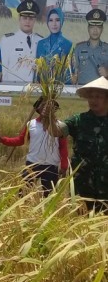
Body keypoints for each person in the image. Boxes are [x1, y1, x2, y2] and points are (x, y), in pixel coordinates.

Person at [46, 76, 108, 212]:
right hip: (82, 188)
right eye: (91, 97)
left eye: (98, 96)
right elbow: (56, 131)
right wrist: (49, 118)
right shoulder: (79, 120)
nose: (93, 100)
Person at [0, 98, 69, 197]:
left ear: (54, 110)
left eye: (49, 106)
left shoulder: (60, 126)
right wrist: (2, 139)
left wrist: (64, 166)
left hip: (51, 165)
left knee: (49, 196)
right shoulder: (31, 124)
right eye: (43, 106)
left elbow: (63, 148)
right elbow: (20, 140)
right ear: (39, 109)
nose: (45, 108)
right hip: (32, 164)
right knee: (23, 193)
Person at [0, 0, 42, 83]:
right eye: (24, 18)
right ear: (19, 18)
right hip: (14, 90)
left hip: (34, 91)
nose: (27, 21)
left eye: (31, 18)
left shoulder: (41, 41)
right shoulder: (7, 40)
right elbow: (3, 70)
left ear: (35, 20)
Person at [35, 7, 73, 84]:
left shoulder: (68, 44)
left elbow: (69, 73)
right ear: (47, 22)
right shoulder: (41, 44)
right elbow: (37, 72)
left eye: (57, 20)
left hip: (60, 89)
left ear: (62, 21)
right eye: (51, 20)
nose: (54, 24)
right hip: (42, 89)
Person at [73, 8, 108, 85]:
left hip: (101, 92)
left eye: (98, 27)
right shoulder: (79, 48)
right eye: (92, 27)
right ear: (88, 28)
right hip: (83, 92)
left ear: (102, 29)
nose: (95, 31)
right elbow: (73, 73)